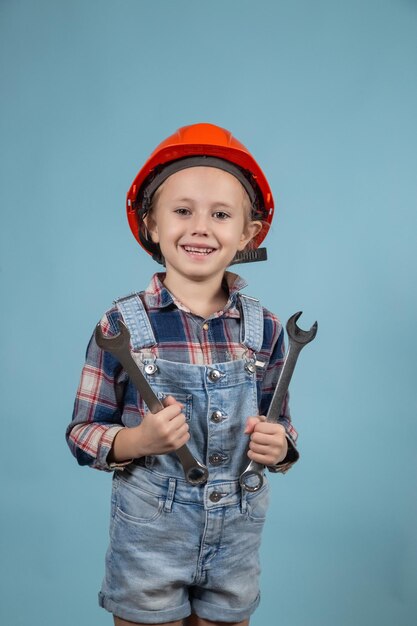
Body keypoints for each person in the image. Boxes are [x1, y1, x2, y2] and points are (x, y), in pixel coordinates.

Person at [66, 123, 299, 626]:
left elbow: (281, 423)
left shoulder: (267, 328)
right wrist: (137, 441)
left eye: (220, 214)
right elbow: (82, 432)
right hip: (150, 538)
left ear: (248, 233)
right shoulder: (120, 327)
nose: (200, 227)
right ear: (151, 223)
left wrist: (281, 448)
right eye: (182, 210)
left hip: (237, 538)